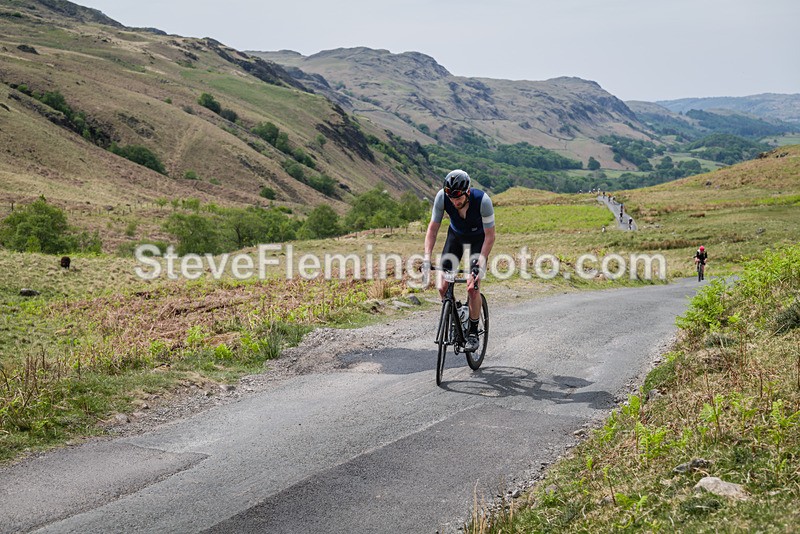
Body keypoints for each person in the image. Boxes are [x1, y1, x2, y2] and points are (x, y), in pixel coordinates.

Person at [423, 169, 496, 352]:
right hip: (455, 237)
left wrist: (480, 264)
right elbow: (432, 230)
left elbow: (490, 237)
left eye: (458, 198)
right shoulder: (442, 198)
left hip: (478, 240)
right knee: (442, 287)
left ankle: (472, 331)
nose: (455, 201)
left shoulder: (483, 201)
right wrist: (426, 257)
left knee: (472, 287)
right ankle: (456, 315)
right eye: (451, 197)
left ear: (467, 192)